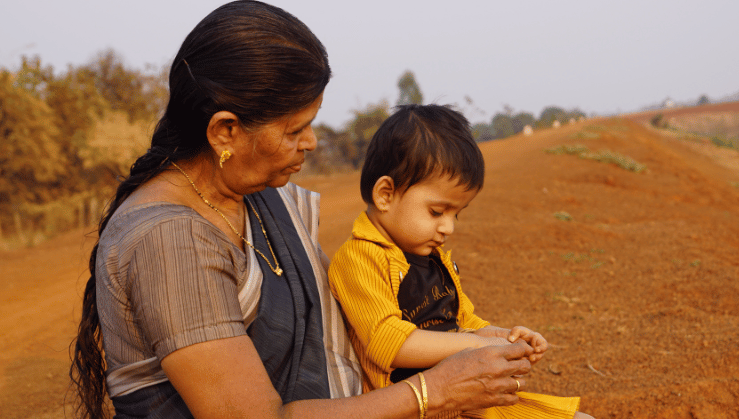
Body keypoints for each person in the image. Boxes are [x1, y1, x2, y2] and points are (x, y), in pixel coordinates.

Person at [70, 2, 540, 418]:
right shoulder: (168, 242)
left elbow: (363, 321)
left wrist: (479, 339)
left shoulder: (254, 193)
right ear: (224, 131)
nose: (311, 143)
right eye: (295, 130)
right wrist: (432, 392)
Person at [327, 104, 590, 418]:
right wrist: (475, 347)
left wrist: (505, 337)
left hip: (464, 401)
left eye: (456, 214)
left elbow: (464, 323)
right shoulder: (359, 259)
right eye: (437, 212)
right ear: (385, 194)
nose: (448, 227)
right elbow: (388, 343)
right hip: (416, 407)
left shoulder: (434, 259)